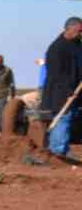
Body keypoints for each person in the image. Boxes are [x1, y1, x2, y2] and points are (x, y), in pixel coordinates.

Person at [40, 17, 82, 158]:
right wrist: (69, 92)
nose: (81, 34)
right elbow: (57, 75)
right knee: (63, 118)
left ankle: (60, 150)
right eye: (79, 31)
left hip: (76, 92)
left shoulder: (77, 45)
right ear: (69, 29)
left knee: (69, 119)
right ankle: (58, 152)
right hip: (60, 93)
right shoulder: (56, 48)